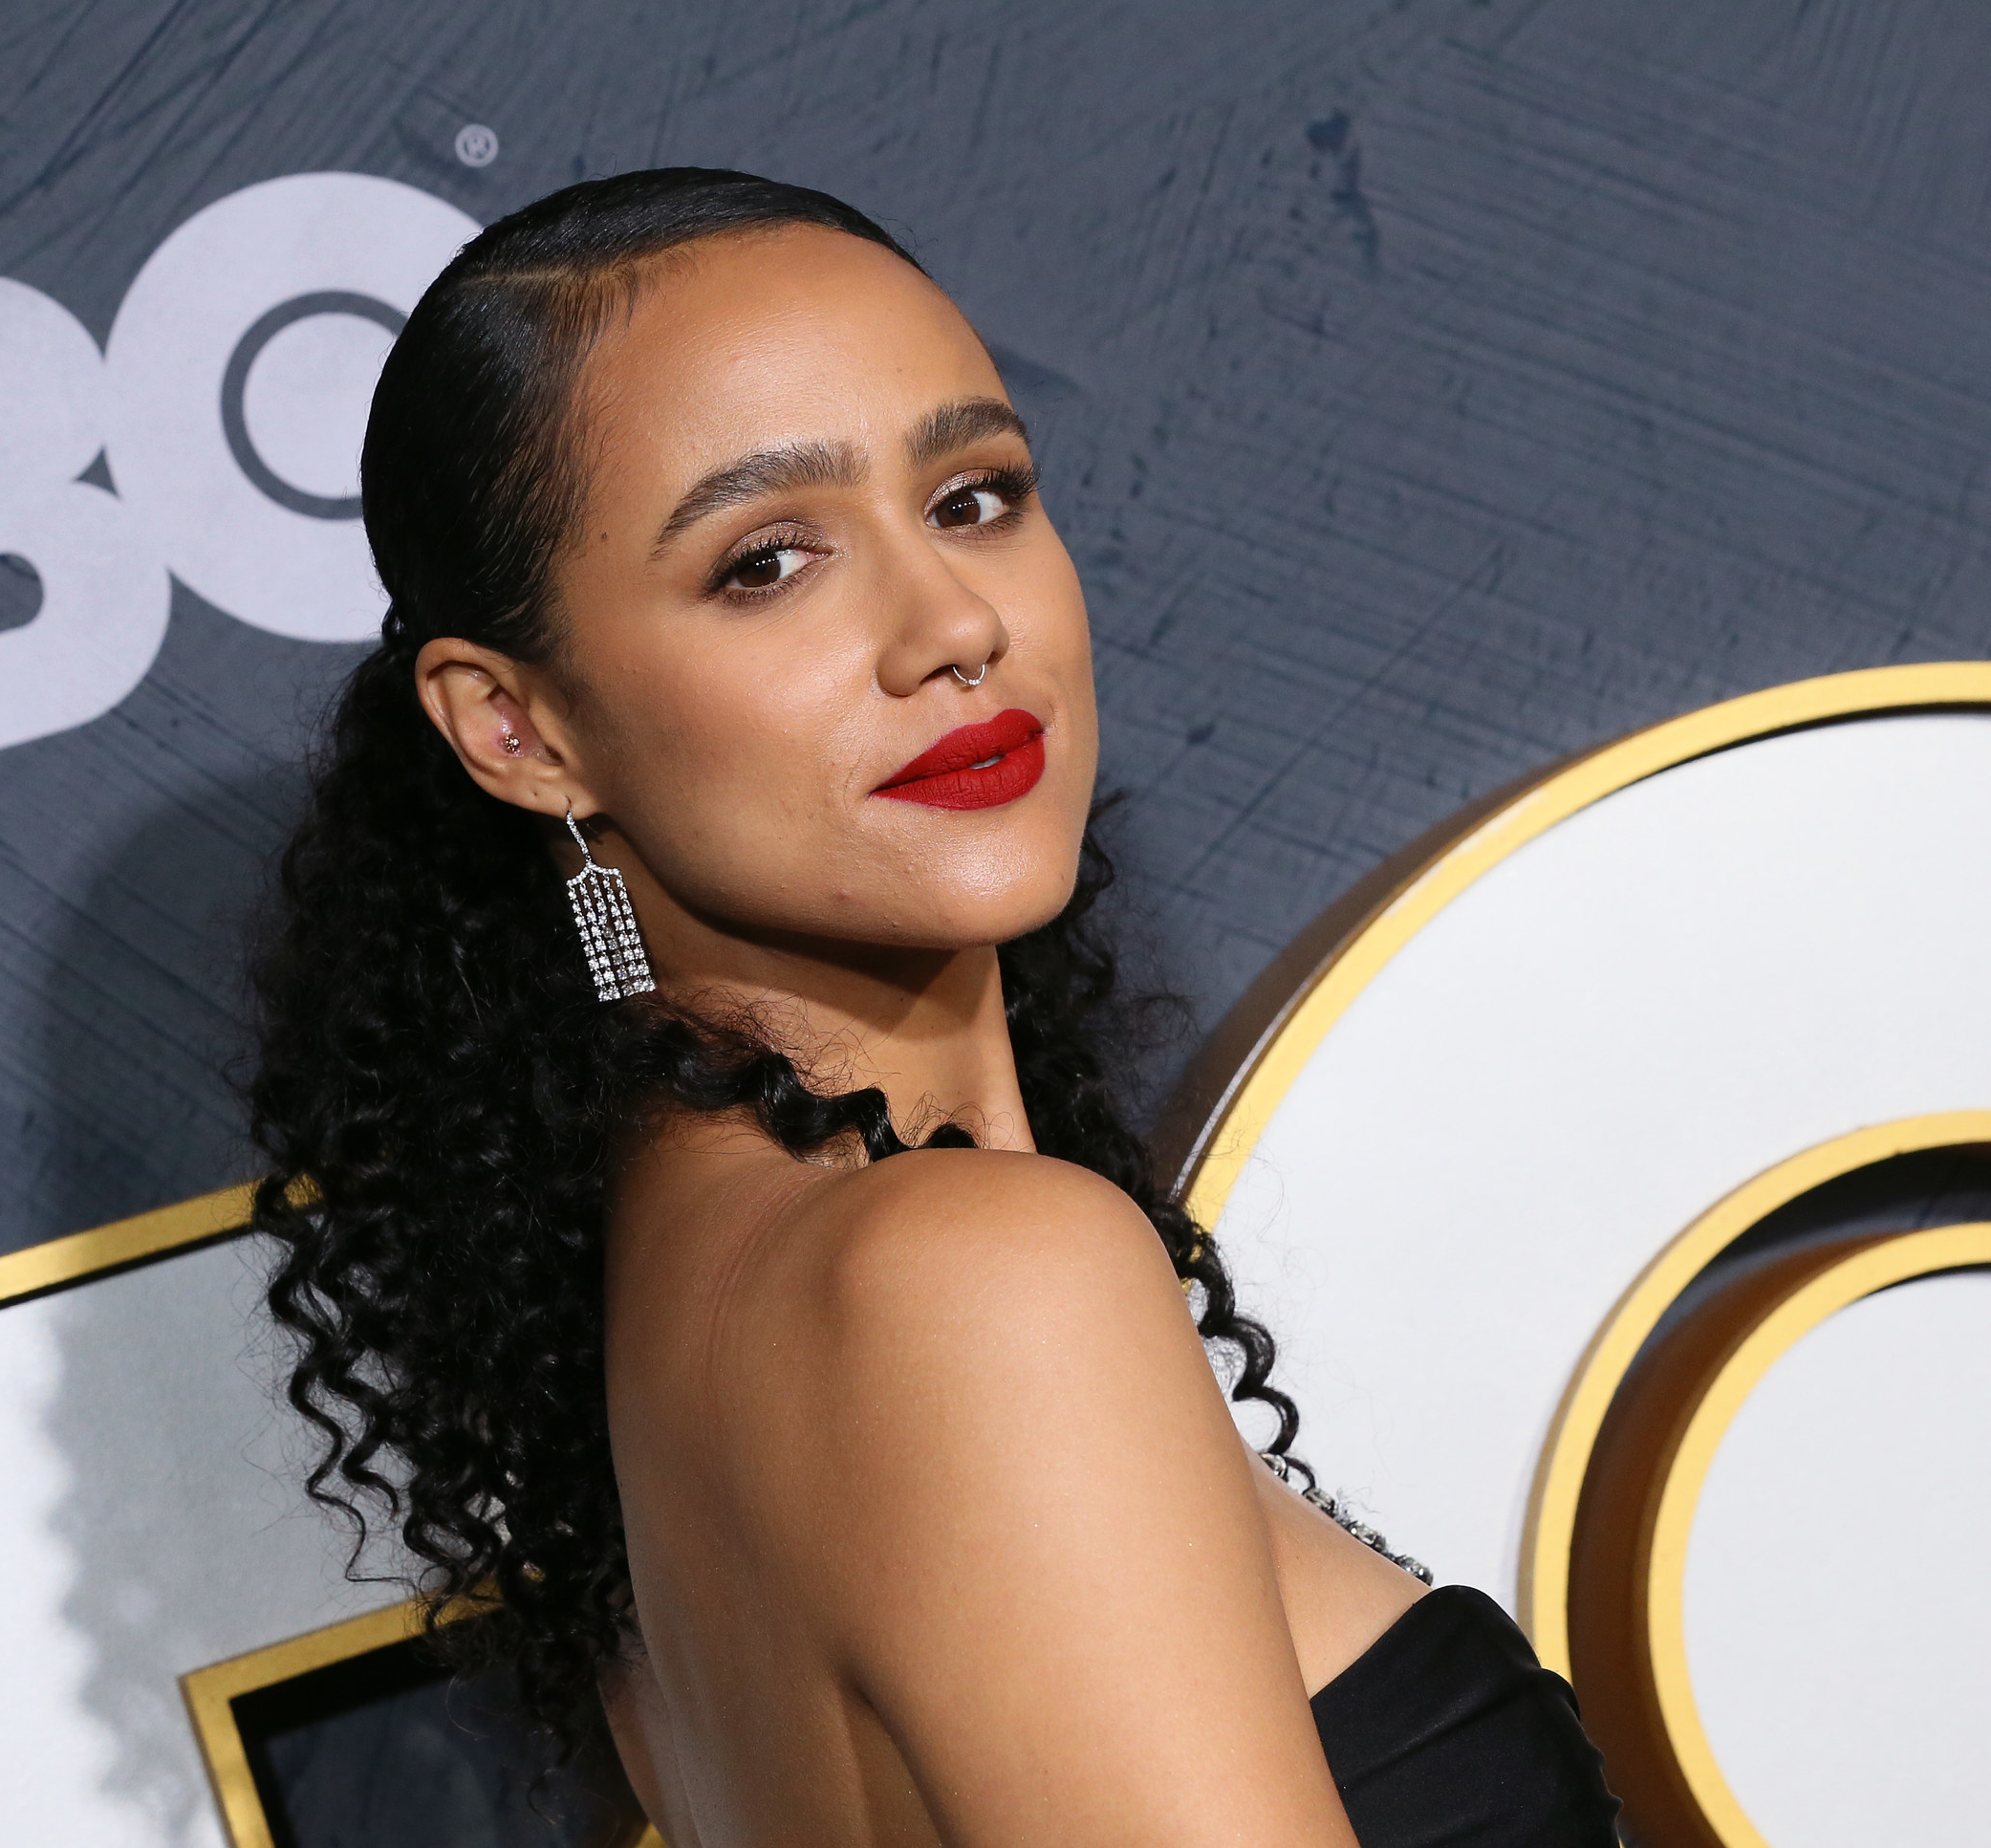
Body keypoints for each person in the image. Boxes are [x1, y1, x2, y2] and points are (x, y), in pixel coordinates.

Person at [245, 167, 1619, 1848]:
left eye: (973, 497)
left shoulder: (670, 1394)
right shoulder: (970, 1281)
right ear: (520, 729)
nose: (955, 623)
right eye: (768, 561)